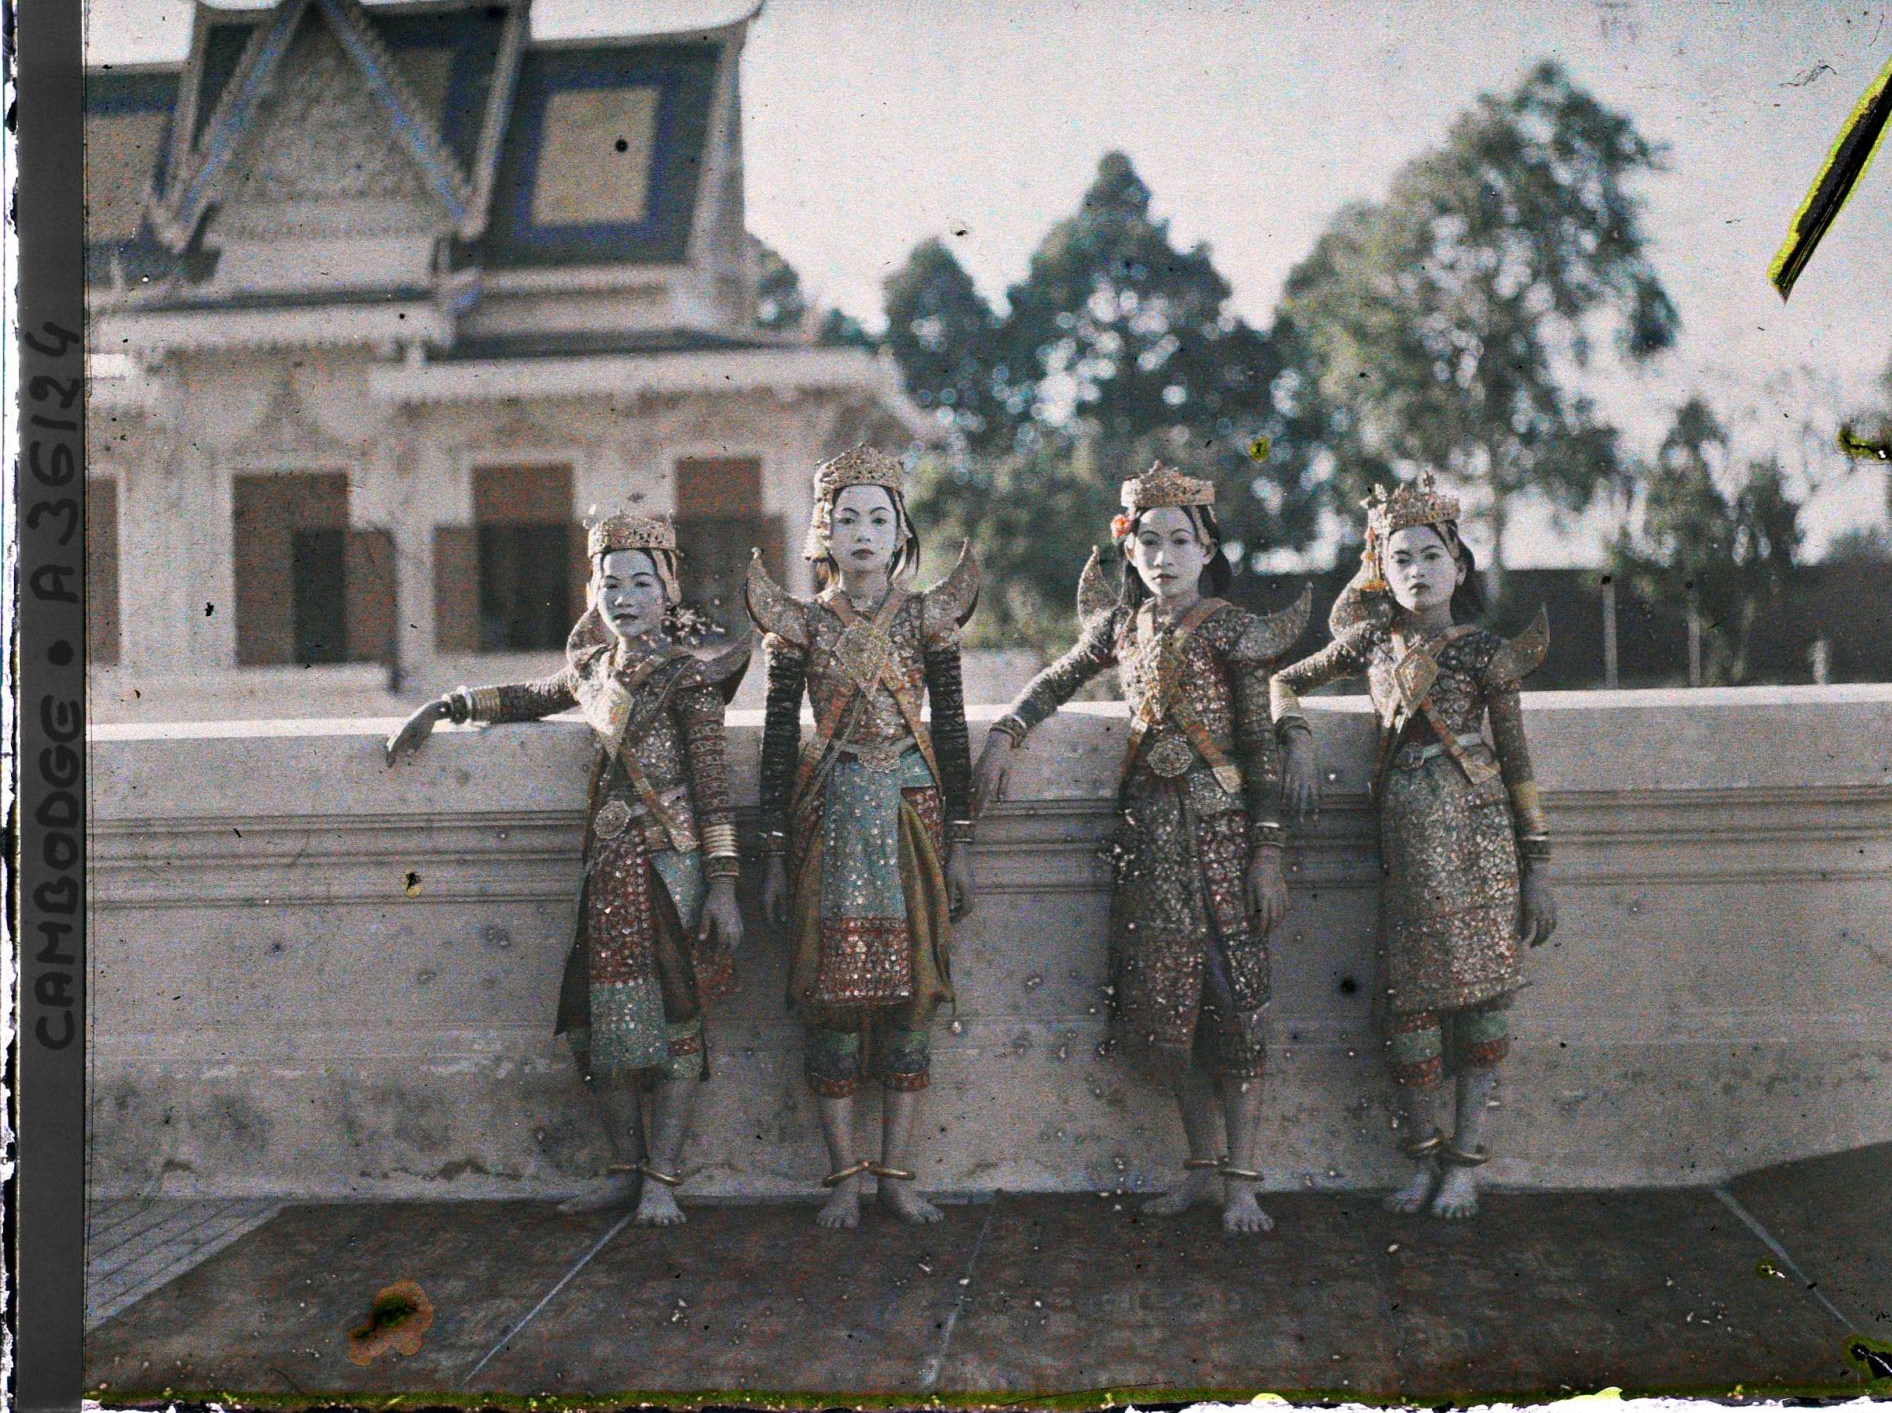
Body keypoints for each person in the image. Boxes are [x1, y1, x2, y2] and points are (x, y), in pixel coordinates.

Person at [385, 510, 749, 1227]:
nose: (624, 597)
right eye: (610, 583)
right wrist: (445, 706)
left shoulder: (690, 681)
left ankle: (661, 1179)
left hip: (669, 868)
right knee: (600, 1024)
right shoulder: (592, 671)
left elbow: (713, 791)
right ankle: (622, 1170)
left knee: (675, 1020)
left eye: (641, 582)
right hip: (607, 870)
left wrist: (726, 886)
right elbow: (531, 696)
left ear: (668, 591)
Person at [973, 462, 1307, 1234]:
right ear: (1129, 553)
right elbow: (1054, 681)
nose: (1164, 557)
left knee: (1233, 1010)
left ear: (1207, 548)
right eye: (1148, 543)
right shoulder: (1121, 627)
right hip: (1149, 835)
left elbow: (1256, 749)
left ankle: (1244, 1182)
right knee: (1171, 1014)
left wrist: (1267, 855)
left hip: (1222, 839)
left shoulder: (1229, 630)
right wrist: (1005, 733)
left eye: (1180, 542)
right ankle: (1198, 1170)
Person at [1271, 473, 1557, 1220]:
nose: (1416, 572)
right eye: (1399, 559)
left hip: (1481, 841)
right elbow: (1284, 680)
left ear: (1458, 568)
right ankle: (1423, 1162)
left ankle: (1466, 1165)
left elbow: (1519, 766)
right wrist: (1295, 739)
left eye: (1431, 556)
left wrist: (1540, 870)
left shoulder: (1488, 655)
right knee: (1410, 1012)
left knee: (1482, 1007)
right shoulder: (1369, 640)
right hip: (1404, 851)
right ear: (1380, 570)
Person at [748, 444, 979, 1228]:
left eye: (879, 518)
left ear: (901, 530)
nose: (863, 532)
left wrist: (964, 846)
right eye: (846, 519)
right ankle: (845, 1177)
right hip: (830, 821)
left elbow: (951, 733)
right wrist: (774, 859)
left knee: (912, 1003)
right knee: (833, 1007)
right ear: (822, 533)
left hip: (914, 818)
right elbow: (779, 745)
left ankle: (899, 1178)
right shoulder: (800, 626)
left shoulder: (928, 617)